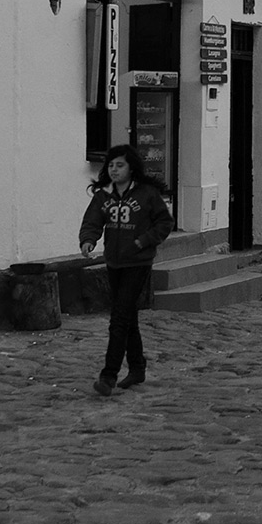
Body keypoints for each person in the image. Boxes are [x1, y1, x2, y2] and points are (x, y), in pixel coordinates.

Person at [79, 145, 174, 396]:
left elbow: (164, 222)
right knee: (128, 315)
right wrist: (88, 240)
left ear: (131, 167)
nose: (114, 170)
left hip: (138, 263)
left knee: (119, 318)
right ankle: (137, 367)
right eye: (111, 165)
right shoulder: (104, 195)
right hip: (114, 262)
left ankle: (108, 375)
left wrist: (143, 240)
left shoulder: (146, 194)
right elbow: (92, 221)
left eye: (119, 165)